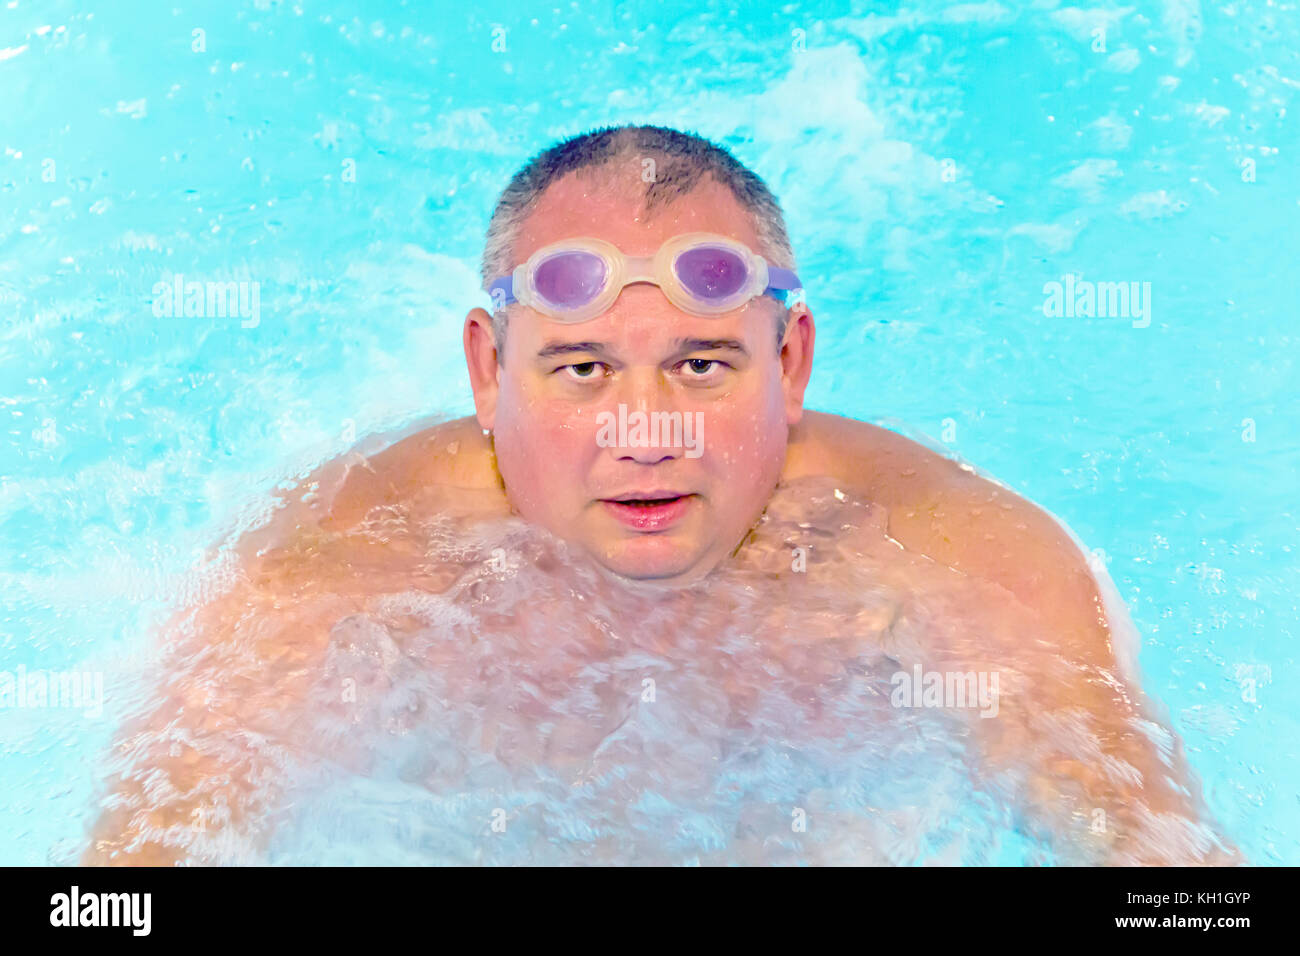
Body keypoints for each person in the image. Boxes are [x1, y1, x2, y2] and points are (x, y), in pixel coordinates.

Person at [86, 124, 1235, 865]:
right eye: (583, 370)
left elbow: (1164, 864)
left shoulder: (950, 554)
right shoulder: (346, 567)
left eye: (701, 365)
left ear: (789, 365)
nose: (645, 434)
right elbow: (123, 885)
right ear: (489, 373)